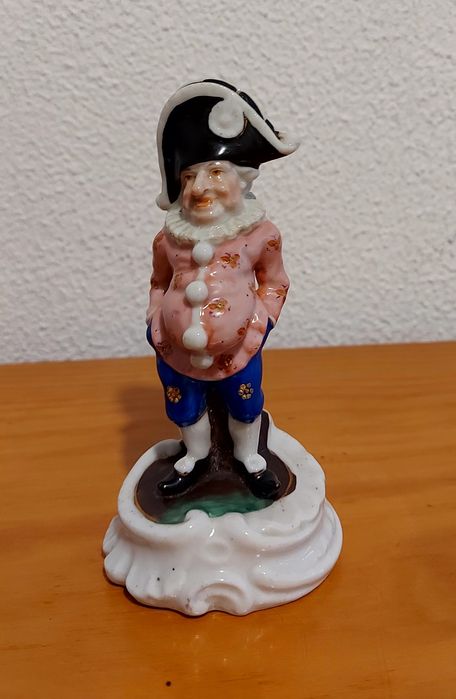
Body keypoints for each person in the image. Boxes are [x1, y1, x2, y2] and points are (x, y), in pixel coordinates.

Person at [147, 80, 298, 497]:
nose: (199, 188)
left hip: (239, 349)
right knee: (183, 403)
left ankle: (248, 456)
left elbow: (275, 282)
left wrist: (261, 322)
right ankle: (195, 456)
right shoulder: (168, 240)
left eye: (215, 172)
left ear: (242, 180)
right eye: (189, 176)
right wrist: (155, 318)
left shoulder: (261, 235)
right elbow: (159, 280)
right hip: (175, 351)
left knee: (244, 402)